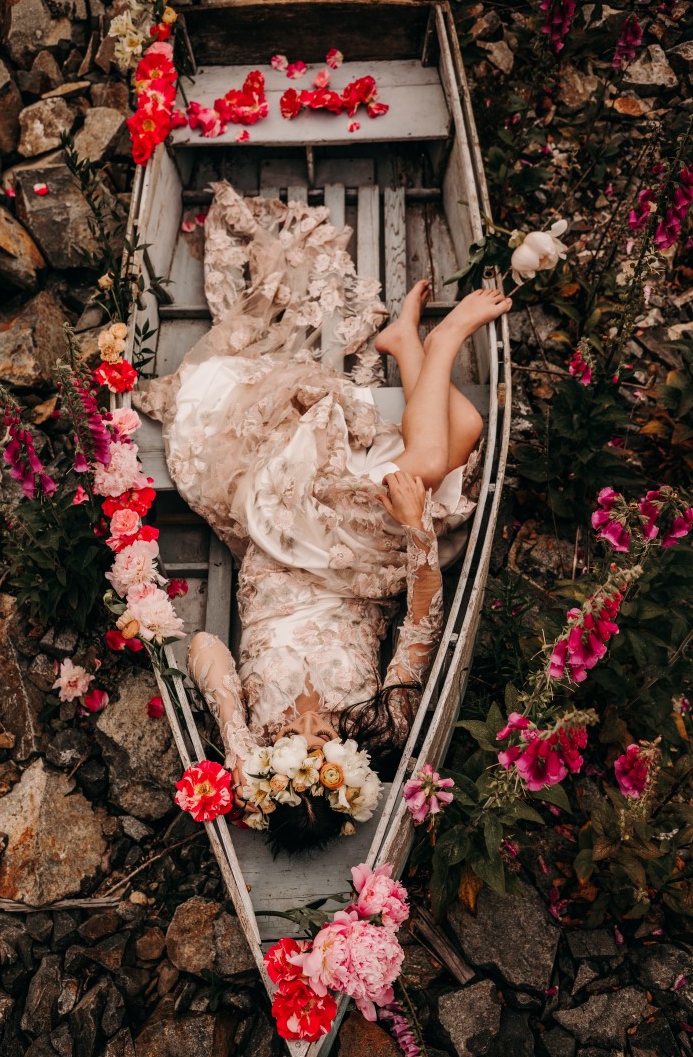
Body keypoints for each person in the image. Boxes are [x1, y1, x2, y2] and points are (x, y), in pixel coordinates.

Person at [135, 182, 511, 854]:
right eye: (325, 764)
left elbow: (202, 648)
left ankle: (437, 338)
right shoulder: (381, 724)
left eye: (295, 762)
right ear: (348, 775)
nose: (313, 745)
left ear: (272, 774)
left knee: (435, 454)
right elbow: (422, 623)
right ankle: (411, 346)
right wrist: (418, 536)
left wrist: (237, 733)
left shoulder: (253, 723)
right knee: (462, 439)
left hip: (286, 534)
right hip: (371, 563)